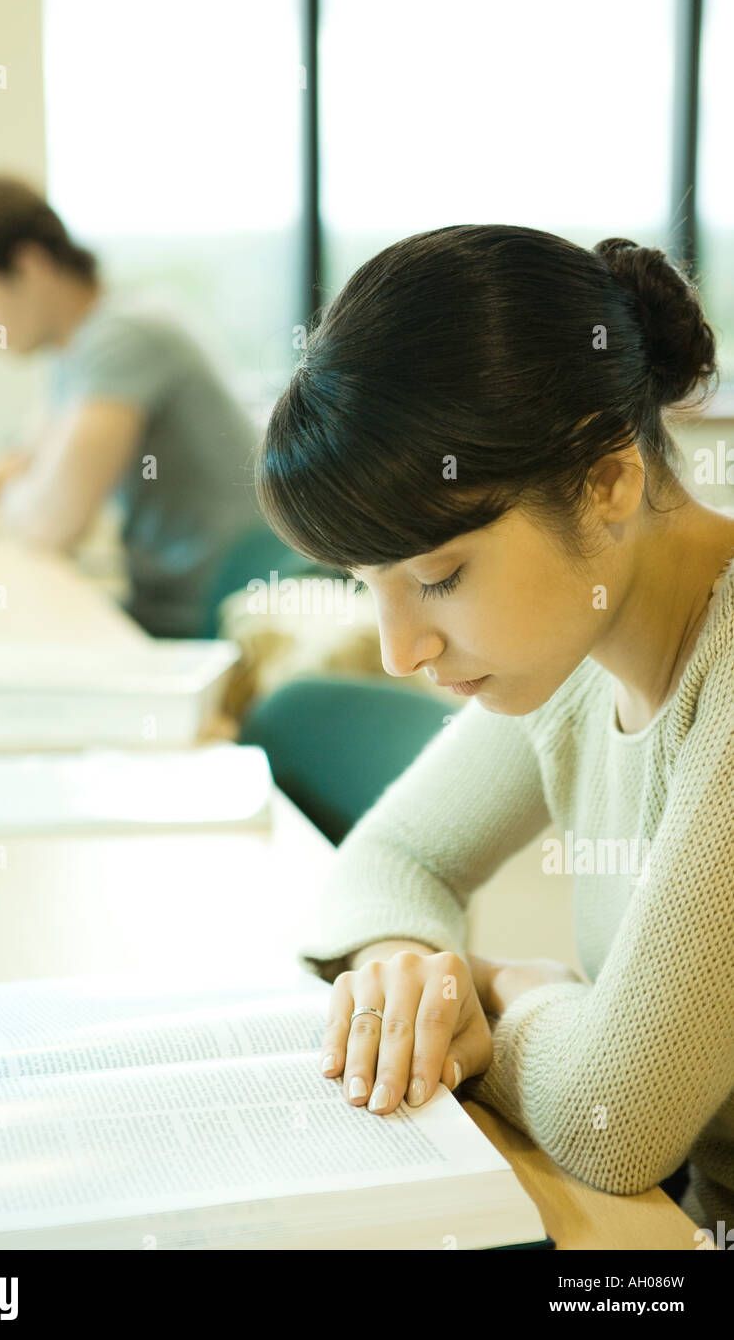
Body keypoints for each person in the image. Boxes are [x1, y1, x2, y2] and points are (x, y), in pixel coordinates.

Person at [256, 223, 734, 1231]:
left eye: (438, 578)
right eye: (366, 585)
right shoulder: (578, 636)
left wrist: (505, 986)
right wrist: (410, 973)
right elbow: (393, 856)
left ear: (608, 483)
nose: (399, 652)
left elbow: (614, 1116)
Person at [0, 175, 260, 638]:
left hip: (212, 621)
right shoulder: (75, 352)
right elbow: (21, 465)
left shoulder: (124, 338)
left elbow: (54, 522)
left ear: (29, 266)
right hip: (171, 607)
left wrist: (24, 492)